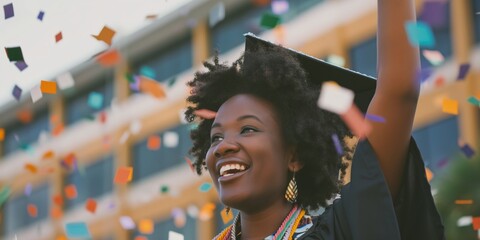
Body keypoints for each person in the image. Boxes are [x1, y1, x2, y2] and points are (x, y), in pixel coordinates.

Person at [184, 0, 445, 239]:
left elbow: (399, 92)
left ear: (294, 157)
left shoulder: (340, 231)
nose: (223, 146)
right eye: (216, 136)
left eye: (248, 129)